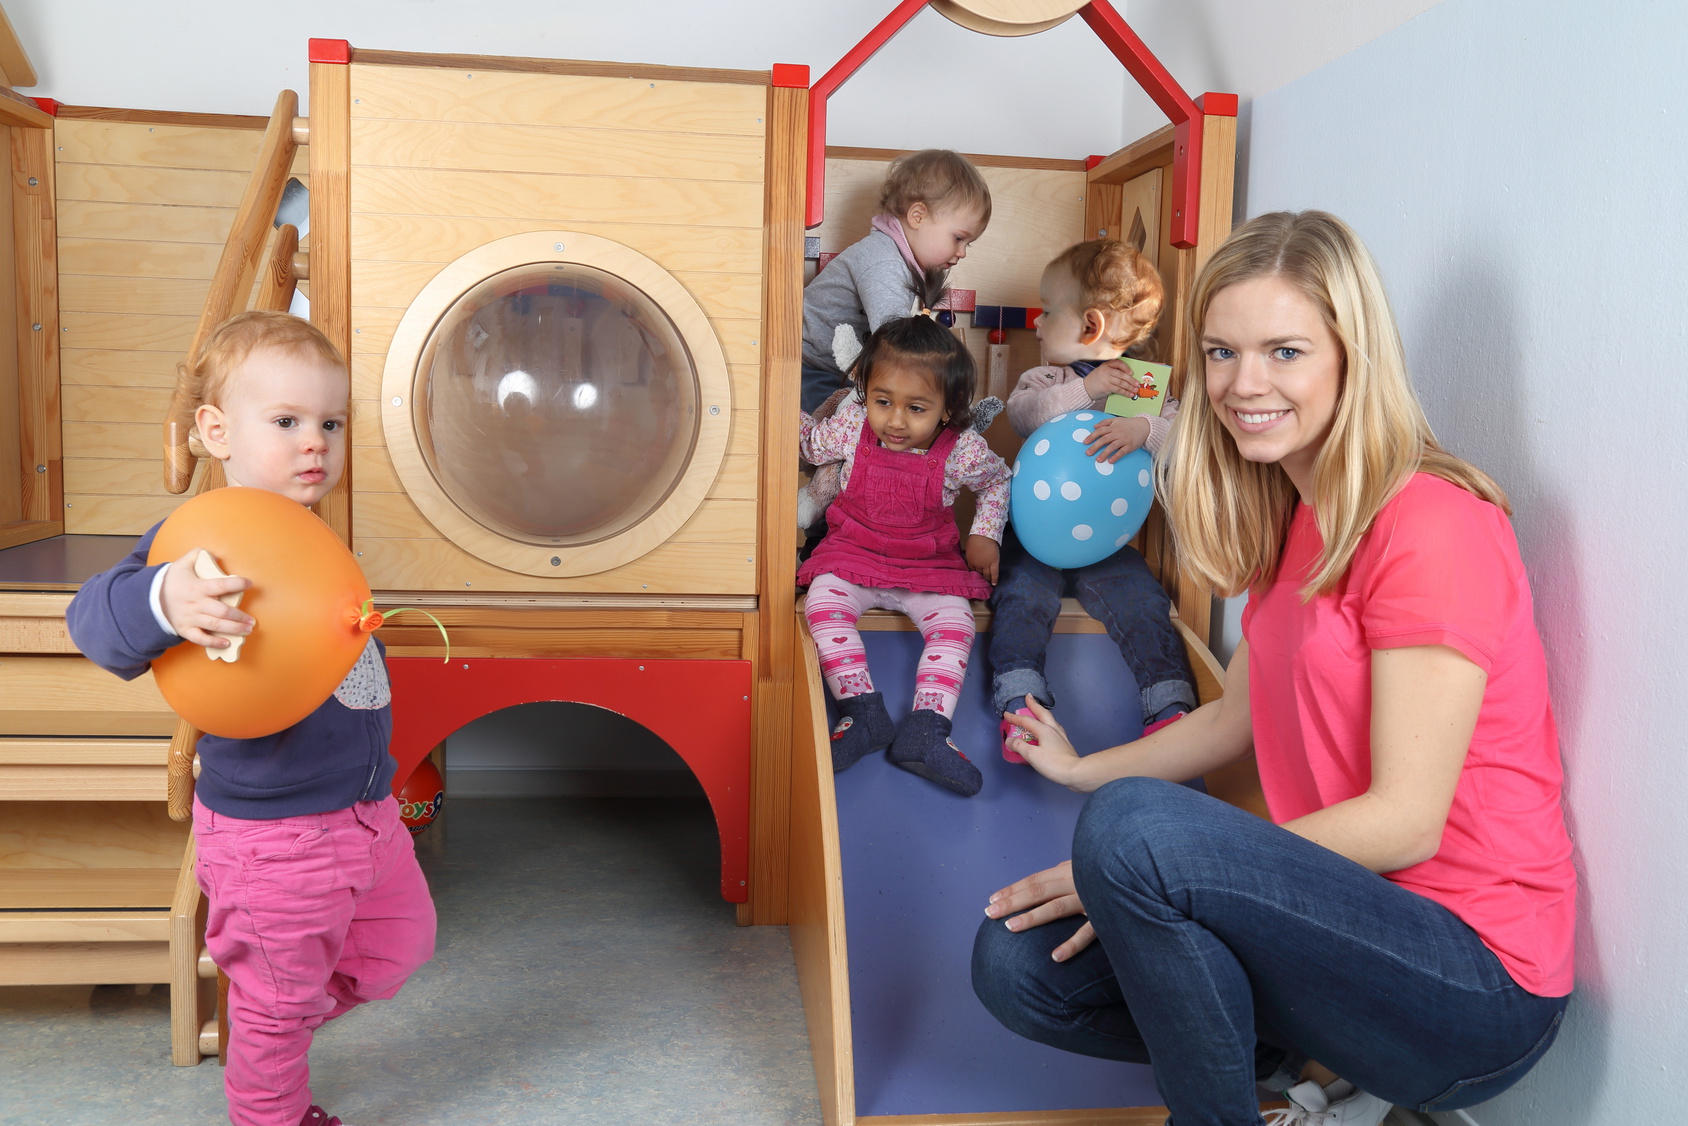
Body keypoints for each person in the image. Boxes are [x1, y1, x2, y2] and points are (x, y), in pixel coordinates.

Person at [971, 212, 1574, 1126]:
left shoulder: (1430, 524)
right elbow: (1230, 720)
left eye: (1284, 351)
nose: (1241, 385)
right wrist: (1080, 769)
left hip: (1473, 982)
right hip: (1332, 943)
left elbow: (1408, 823)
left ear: (1350, 357)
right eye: (1220, 352)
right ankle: (1289, 1074)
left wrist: (1150, 867)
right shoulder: (1298, 523)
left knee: (1133, 833)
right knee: (1016, 967)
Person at [67, 311, 436, 1126]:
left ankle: (271, 1022)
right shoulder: (201, 544)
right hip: (274, 839)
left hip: (368, 814)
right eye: (287, 421)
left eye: (330, 423)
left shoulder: (311, 536)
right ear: (215, 431)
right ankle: (272, 1093)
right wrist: (166, 597)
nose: (316, 442)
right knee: (279, 997)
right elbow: (92, 620)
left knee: (396, 952)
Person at [991, 239, 1196, 762]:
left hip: (1108, 544)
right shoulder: (1047, 378)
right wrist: (1086, 392)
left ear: (1089, 327)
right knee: (1021, 599)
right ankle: (1021, 707)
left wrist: (1142, 428)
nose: (1035, 324)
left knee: (1143, 602)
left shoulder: (1144, 389)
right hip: (1034, 540)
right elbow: (1023, 415)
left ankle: (1170, 707)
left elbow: (1179, 440)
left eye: (1046, 311)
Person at [799, 316, 1010, 797]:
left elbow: (997, 481)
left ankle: (927, 728)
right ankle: (862, 713)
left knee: (956, 624)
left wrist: (985, 534)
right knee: (822, 606)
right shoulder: (854, 425)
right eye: (882, 402)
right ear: (864, 393)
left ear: (947, 409)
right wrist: (792, 416)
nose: (895, 421)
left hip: (927, 567)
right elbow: (813, 447)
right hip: (853, 554)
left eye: (916, 408)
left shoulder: (964, 450)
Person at [798, 150, 995, 532]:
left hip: (841, 374)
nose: (962, 252)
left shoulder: (898, 261)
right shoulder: (882, 261)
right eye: (959, 237)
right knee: (848, 444)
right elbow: (896, 346)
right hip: (811, 369)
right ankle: (833, 538)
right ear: (918, 216)